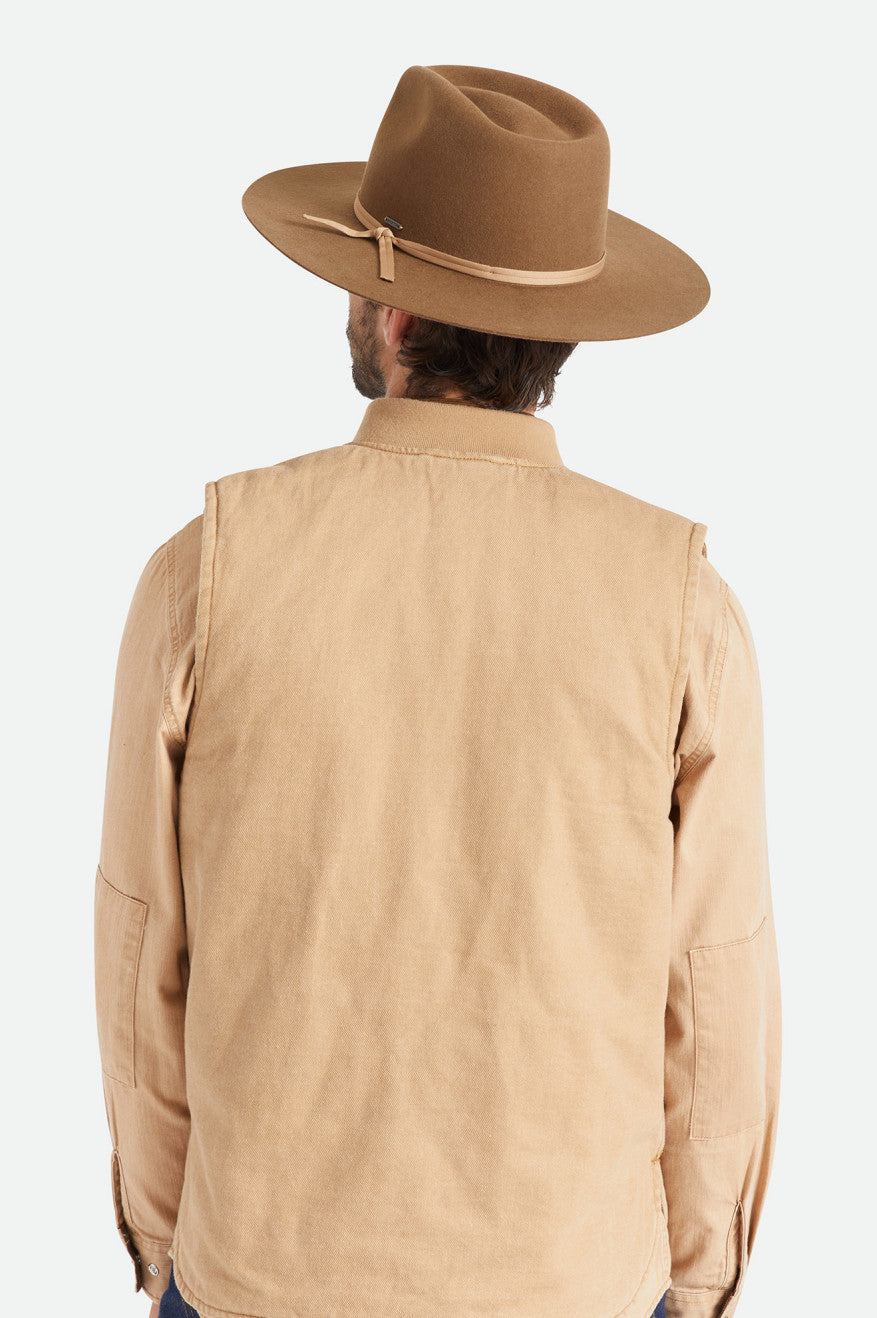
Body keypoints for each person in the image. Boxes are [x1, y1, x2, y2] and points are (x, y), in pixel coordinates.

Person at [94, 64, 781, 1318]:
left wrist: (165, 1243)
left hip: (262, 1276)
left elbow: (143, 954)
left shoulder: (206, 571)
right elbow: (713, 987)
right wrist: (696, 1278)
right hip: (569, 1282)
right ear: (562, 331)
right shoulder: (684, 607)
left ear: (397, 318)